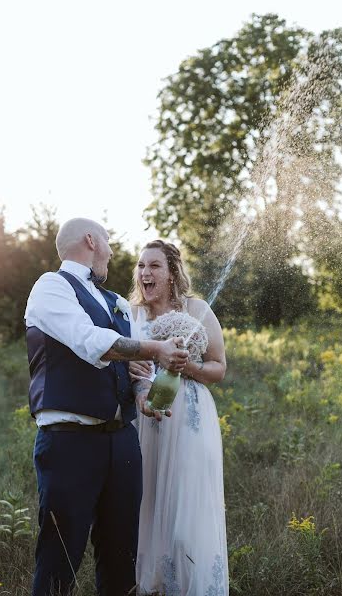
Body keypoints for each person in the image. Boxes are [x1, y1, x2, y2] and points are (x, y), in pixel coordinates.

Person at [24, 219, 188, 596]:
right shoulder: (50, 287)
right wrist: (155, 348)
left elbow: (134, 369)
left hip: (122, 442)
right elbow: (90, 341)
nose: (113, 253)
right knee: (59, 555)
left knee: (121, 556)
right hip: (70, 442)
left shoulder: (115, 301)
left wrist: (145, 394)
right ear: (91, 240)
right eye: (109, 243)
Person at [129, 239, 229, 595]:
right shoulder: (131, 314)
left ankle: (192, 585)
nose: (145, 273)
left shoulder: (196, 308)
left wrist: (190, 367)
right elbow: (124, 363)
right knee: (148, 502)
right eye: (141, 266)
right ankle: (152, 585)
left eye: (154, 266)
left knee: (187, 510)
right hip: (146, 418)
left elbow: (219, 368)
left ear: (172, 274)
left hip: (189, 418)